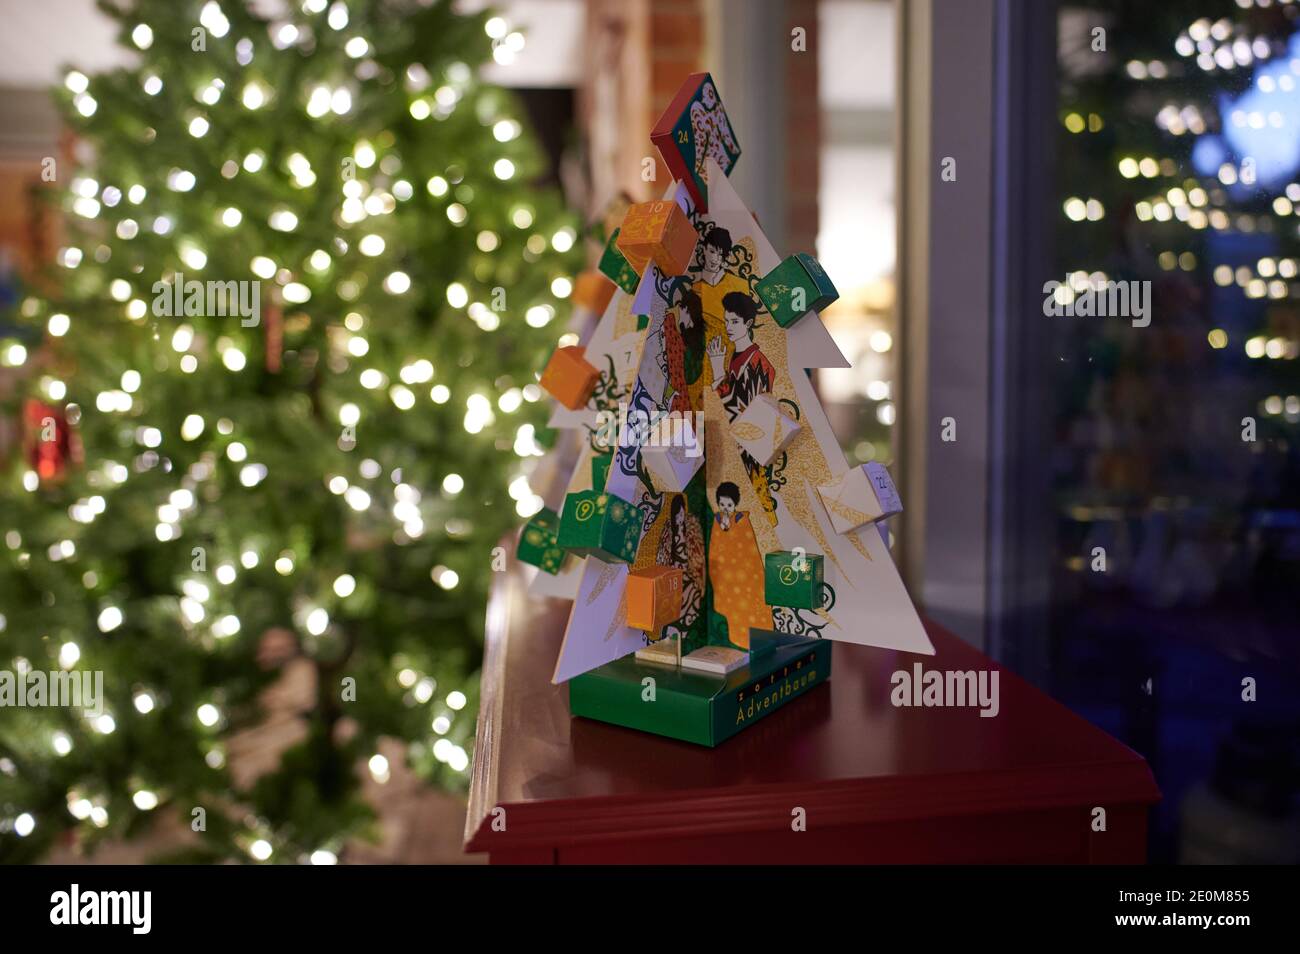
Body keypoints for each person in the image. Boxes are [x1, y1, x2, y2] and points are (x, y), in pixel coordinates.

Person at [707, 481, 771, 650]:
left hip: (744, 573)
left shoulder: (742, 520)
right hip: (726, 574)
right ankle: (736, 638)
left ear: (735, 504)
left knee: (749, 606)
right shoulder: (717, 520)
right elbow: (715, 546)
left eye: (729, 504)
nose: (725, 508)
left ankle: (759, 639)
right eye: (722, 504)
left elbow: (748, 546)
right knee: (732, 610)